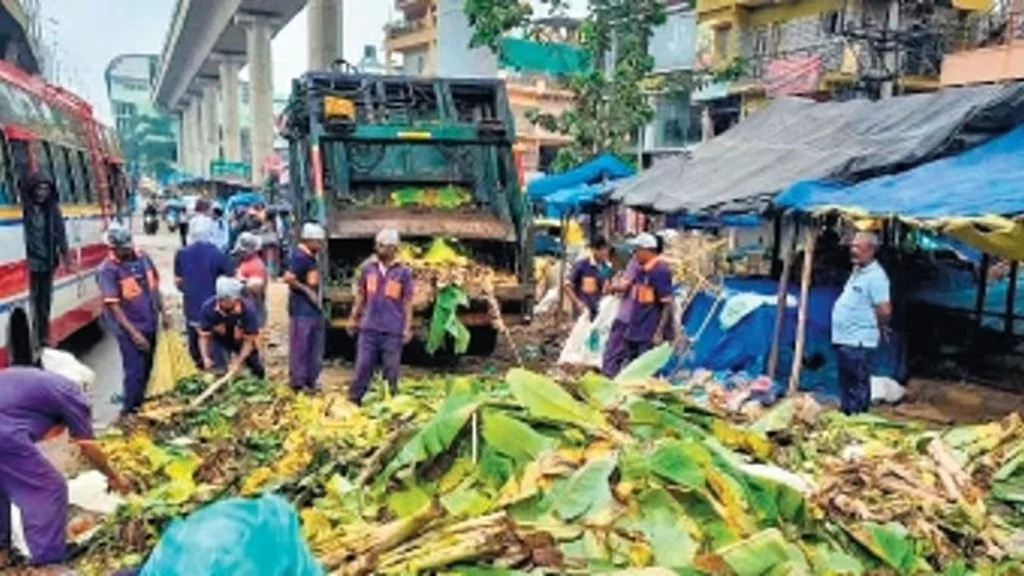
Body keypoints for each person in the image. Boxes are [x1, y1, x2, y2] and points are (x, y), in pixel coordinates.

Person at [0, 367, 131, 568]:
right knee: (48, 488)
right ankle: (48, 563)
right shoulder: (73, 396)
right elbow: (88, 446)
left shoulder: (40, 383)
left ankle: (2, 553)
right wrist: (115, 476)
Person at [98, 225, 169, 415]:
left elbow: (154, 287)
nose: (127, 250)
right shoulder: (108, 270)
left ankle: (146, 404)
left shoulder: (143, 258)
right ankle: (129, 411)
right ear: (113, 248)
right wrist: (134, 334)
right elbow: (114, 306)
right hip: (129, 328)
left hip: (150, 321)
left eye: (129, 246)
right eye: (123, 248)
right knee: (135, 371)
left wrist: (164, 311)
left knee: (151, 366)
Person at [347, 229, 414, 405]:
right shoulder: (368, 269)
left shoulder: (403, 273)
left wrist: (407, 328)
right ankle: (354, 400)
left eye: (384, 246)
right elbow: (361, 296)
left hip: (392, 330)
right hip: (369, 328)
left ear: (394, 249)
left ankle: (389, 403)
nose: (379, 249)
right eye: (378, 245)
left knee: (391, 370)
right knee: (363, 367)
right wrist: (354, 318)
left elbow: (407, 302)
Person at [832, 231, 891, 415]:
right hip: (846, 339)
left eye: (858, 246)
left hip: (859, 340)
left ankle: (857, 418)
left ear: (871, 249)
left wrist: (881, 326)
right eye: (852, 246)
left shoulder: (877, 277)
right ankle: (847, 415)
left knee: (857, 384)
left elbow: (885, 309)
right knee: (847, 383)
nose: (853, 250)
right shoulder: (858, 271)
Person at [602, 233, 675, 377]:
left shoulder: (660, 271)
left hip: (649, 330)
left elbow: (667, 304)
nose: (634, 253)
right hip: (636, 327)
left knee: (646, 370)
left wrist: (659, 332)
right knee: (632, 366)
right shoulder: (641, 270)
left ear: (647, 250)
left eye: (637, 250)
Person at [174, 218, 236, 367]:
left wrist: (190, 291)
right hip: (215, 311)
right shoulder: (218, 254)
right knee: (217, 352)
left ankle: (200, 370)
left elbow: (178, 282)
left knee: (196, 350)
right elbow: (231, 280)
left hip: (192, 309)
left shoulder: (182, 253)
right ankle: (218, 378)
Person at [22, 173, 71, 349]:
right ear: (32, 190)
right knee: (32, 302)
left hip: (47, 262)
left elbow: (60, 234)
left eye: (46, 189)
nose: (42, 193)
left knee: (44, 302)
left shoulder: (51, 210)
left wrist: (67, 257)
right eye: (39, 188)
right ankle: (34, 336)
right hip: (30, 264)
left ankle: (43, 336)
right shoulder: (25, 210)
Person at [284, 223, 326, 392]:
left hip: (311, 309)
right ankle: (298, 382)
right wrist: (308, 291)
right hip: (302, 309)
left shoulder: (309, 257)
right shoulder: (299, 257)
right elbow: (288, 278)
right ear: (308, 240)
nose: (320, 246)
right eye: (318, 242)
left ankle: (310, 380)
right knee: (301, 345)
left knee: (313, 346)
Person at [198, 277, 265, 379]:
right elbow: (204, 337)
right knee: (218, 368)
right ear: (223, 300)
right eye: (234, 299)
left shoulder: (248, 310)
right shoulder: (208, 309)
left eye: (238, 298)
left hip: (241, 338)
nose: (238, 300)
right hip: (220, 339)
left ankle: (259, 380)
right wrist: (205, 357)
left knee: (256, 367)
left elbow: (249, 341)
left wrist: (238, 362)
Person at [564, 235, 613, 320]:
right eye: (601, 250)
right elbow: (567, 285)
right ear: (594, 250)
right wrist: (578, 303)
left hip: (600, 311)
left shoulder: (607, 267)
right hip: (583, 312)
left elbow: (607, 288)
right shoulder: (582, 265)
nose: (604, 252)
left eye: (606, 249)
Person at [234, 232, 268, 327]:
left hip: (254, 311)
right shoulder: (244, 261)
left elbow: (257, 288)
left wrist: (241, 280)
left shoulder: (256, 265)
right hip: (245, 309)